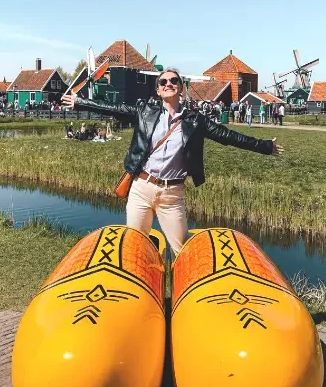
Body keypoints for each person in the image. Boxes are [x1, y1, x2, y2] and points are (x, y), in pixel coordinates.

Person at [62, 68, 284, 256]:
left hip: (172, 194)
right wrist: (80, 102)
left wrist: (264, 146)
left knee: (181, 251)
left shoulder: (195, 121)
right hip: (141, 188)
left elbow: (228, 137)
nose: (168, 84)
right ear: (158, 90)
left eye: (173, 80)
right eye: (163, 82)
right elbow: (114, 109)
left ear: (180, 87)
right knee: (135, 246)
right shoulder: (145, 111)